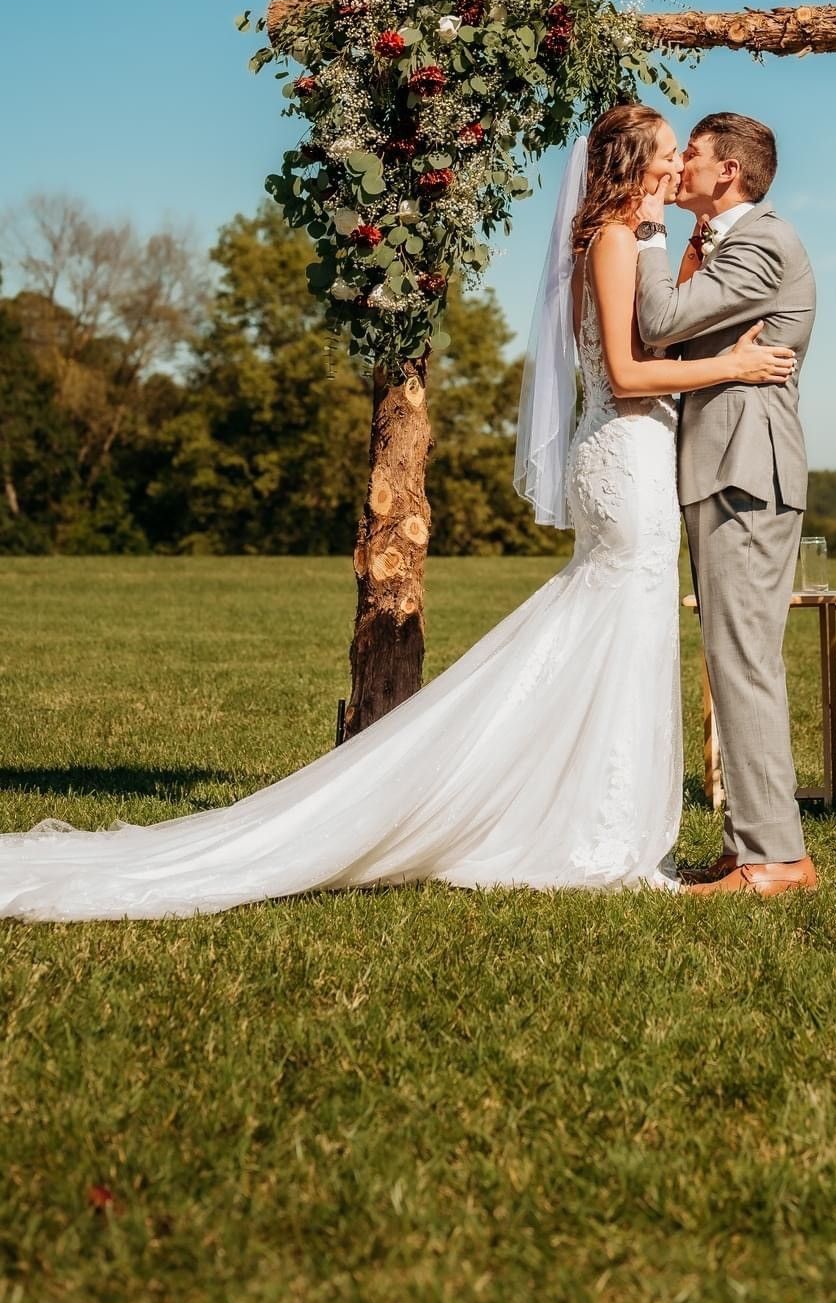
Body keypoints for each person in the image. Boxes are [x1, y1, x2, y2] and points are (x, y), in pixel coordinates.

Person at [0, 105, 794, 921]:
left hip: (626, 460)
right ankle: (594, 829)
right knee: (618, 633)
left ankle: (590, 816)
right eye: (666, 155)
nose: (675, 167)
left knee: (611, 637)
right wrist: (729, 363)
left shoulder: (621, 241)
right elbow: (627, 374)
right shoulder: (618, 242)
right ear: (633, 167)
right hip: (626, 457)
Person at [635, 113, 818, 897]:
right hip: (722, 468)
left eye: (694, 157)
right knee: (730, 662)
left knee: (743, 666)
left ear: (729, 172)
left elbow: (661, 323)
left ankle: (776, 861)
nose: (679, 168)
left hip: (747, 473)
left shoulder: (762, 242)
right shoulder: (719, 243)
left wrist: (644, 233)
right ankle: (752, 845)